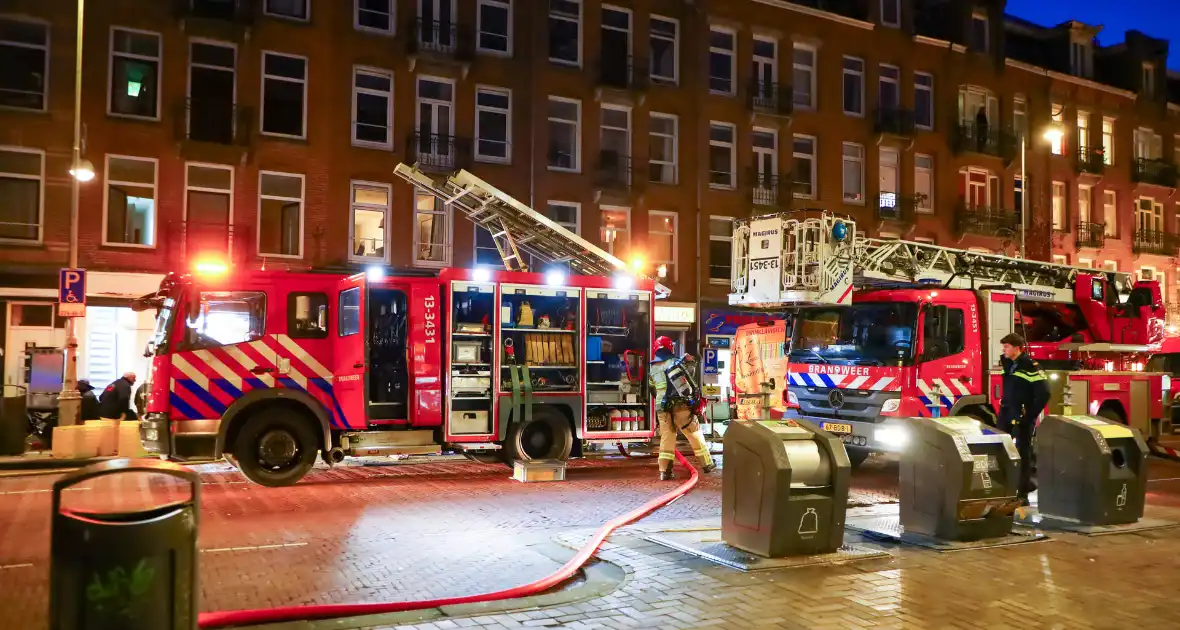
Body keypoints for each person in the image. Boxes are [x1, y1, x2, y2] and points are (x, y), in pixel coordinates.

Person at [648, 336, 716, 480]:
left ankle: (664, 471)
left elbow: (652, 389)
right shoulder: (674, 362)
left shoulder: (652, 367)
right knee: (694, 432)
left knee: (667, 437)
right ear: (670, 347)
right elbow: (687, 379)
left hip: (662, 407)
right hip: (680, 405)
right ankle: (707, 464)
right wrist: (690, 362)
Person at [998, 334, 1050, 504]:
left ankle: (1022, 493)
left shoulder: (1030, 366)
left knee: (1023, 453)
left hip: (1022, 418)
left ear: (1017, 347)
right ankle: (1005, 489)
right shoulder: (1009, 364)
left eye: (1006, 346)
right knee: (1001, 450)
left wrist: (1029, 416)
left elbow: (1044, 394)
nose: (1003, 349)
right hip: (1006, 414)